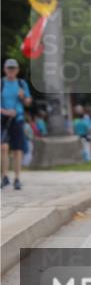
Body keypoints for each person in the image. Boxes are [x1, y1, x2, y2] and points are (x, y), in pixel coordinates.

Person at [1, 58, 33, 190]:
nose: (11, 71)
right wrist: (5, 111)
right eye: (9, 68)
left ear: (17, 70)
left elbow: (28, 102)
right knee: (3, 147)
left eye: (13, 68)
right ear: (5, 69)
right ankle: (4, 176)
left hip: (17, 118)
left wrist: (23, 97)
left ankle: (17, 178)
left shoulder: (22, 84)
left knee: (17, 150)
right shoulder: (1, 83)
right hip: (3, 118)